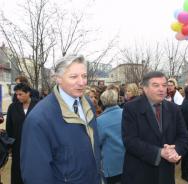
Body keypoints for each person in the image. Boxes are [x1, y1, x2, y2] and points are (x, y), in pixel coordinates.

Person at [20, 55, 103, 184]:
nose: (82, 82)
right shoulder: (39, 119)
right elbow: (36, 176)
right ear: (58, 78)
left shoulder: (88, 104)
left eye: (84, 76)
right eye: (73, 77)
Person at [122, 71, 188, 184]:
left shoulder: (174, 109)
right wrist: (159, 153)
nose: (161, 89)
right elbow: (130, 141)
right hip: (139, 174)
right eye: (156, 85)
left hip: (165, 174)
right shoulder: (131, 108)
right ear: (145, 88)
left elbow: (184, 138)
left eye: (164, 85)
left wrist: (175, 151)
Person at [6, 83, 38, 184]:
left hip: (35, 144)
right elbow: (9, 126)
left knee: (34, 167)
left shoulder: (39, 105)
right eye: (16, 94)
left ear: (28, 93)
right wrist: (10, 144)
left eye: (20, 94)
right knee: (17, 168)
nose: (18, 97)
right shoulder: (13, 107)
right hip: (17, 144)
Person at [96, 89, 125, 184]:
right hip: (129, 160)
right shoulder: (126, 113)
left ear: (103, 102)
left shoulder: (100, 120)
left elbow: (97, 142)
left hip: (112, 164)